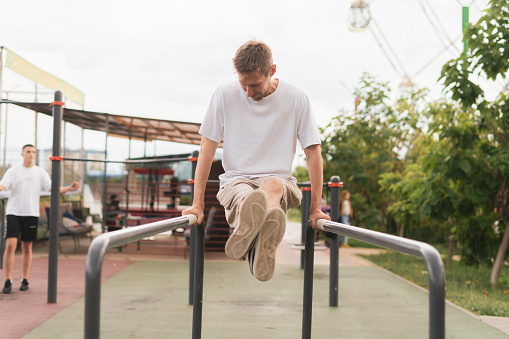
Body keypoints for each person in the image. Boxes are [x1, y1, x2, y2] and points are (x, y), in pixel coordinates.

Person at [182, 40, 330, 282]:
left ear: (272, 70)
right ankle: (260, 241)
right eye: (243, 84)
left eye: (255, 85)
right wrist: (197, 203)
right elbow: (206, 151)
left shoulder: (296, 98)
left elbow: (313, 153)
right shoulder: (223, 95)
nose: (249, 92)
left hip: (281, 183)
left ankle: (257, 237)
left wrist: (315, 209)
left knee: (272, 185)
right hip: (236, 181)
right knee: (247, 196)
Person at [0, 144, 80, 294]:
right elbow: (2, 186)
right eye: (28, 152)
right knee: (10, 245)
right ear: (22, 154)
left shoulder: (40, 172)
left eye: (33, 152)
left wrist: (69, 188)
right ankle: (8, 280)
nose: (31, 154)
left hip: (31, 213)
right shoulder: (13, 171)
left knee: (26, 247)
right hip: (13, 213)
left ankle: (25, 279)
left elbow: (53, 189)